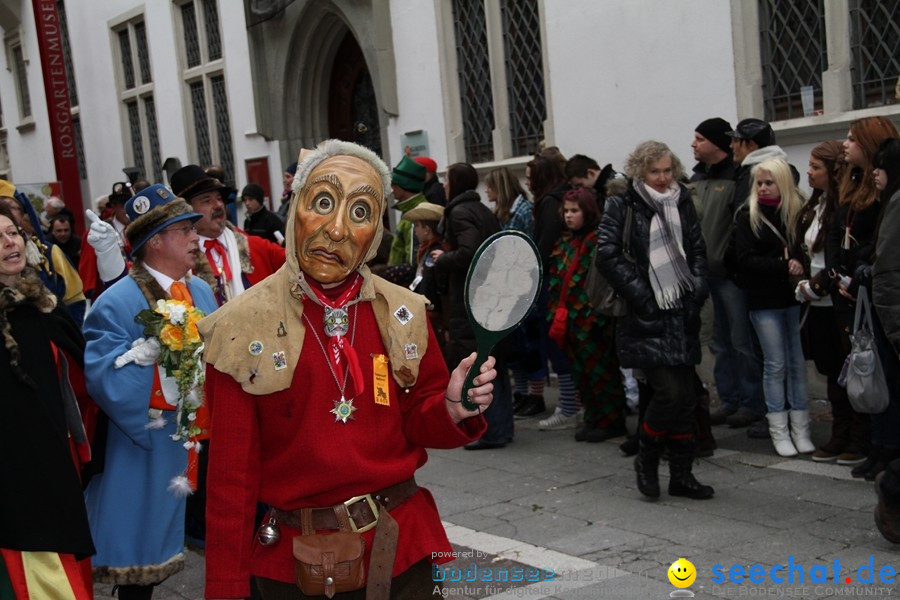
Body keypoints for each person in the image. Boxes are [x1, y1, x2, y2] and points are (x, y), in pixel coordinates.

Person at [198, 140, 497, 599]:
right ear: (296, 207)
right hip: (294, 567)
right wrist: (226, 588)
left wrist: (453, 409)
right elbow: (230, 480)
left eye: (360, 212)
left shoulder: (405, 312)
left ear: (375, 232)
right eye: (323, 202)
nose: (337, 230)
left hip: (402, 550)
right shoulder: (240, 327)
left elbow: (420, 418)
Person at [82, 185, 218, 600]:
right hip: (151, 450)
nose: (197, 237)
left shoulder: (203, 292)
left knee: (226, 540)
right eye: (185, 230)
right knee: (143, 570)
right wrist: (146, 364)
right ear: (155, 241)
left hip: (208, 441)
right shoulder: (116, 302)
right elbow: (101, 377)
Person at [595, 141, 713, 500]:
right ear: (639, 172)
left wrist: (696, 292)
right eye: (654, 172)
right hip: (646, 311)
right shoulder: (622, 203)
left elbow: (696, 249)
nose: (662, 179)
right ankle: (646, 459)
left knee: (687, 398)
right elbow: (607, 255)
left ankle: (681, 475)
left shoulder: (682, 200)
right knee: (669, 393)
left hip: (681, 309)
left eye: (666, 171)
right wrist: (643, 298)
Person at [0, 203, 95, 598]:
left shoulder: (40, 306)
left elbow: (80, 375)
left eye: (12, 232)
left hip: (56, 469)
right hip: (15, 490)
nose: (9, 242)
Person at [829, 117, 900, 480]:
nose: (845, 144)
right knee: (868, 369)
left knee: (883, 374)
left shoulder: (888, 194)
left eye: (852, 139)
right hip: (859, 290)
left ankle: (886, 449)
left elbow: (883, 250)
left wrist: (862, 273)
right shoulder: (858, 183)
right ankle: (877, 446)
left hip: (879, 296)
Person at [794, 140, 867, 465]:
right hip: (816, 304)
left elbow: (837, 257)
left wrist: (819, 285)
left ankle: (857, 438)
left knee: (849, 372)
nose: (808, 173)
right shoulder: (815, 205)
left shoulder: (842, 209)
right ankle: (840, 435)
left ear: (832, 171)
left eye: (815, 167)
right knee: (831, 372)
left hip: (836, 300)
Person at [690, 118, 765, 432]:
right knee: (718, 342)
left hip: (730, 275)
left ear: (716, 144)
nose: (693, 144)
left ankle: (752, 402)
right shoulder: (694, 179)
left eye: (699, 139)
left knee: (741, 341)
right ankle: (730, 398)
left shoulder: (738, 178)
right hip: (705, 275)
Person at [734, 157, 812, 457]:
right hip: (763, 300)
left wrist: (798, 264)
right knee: (775, 363)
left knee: (796, 363)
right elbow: (744, 259)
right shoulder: (747, 215)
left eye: (770, 182)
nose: (764, 187)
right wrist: (782, 265)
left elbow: (807, 249)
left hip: (793, 297)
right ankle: (779, 429)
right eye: (760, 182)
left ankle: (801, 427)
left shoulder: (797, 211)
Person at [433, 162, 510, 450]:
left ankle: (490, 431)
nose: (443, 185)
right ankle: (501, 428)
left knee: (478, 362)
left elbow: (470, 251)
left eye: (446, 180)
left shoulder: (461, 211)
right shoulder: (481, 209)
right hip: (489, 296)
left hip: (473, 297)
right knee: (493, 363)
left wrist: (442, 259)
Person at [545, 187, 626, 435]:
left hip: (593, 319)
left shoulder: (597, 240)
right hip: (569, 318)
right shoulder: (565, 241)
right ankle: (592, 416)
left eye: (575, 211)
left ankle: (610, 420)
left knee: (600, 371)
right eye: (566, 211)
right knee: (581, 373)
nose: (569, 216)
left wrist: (596, 315)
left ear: (587, 211)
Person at [170, 165, 286, 306]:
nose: (218, 205)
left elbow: (300, 264)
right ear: (187, 212)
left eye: (219, 198)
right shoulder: (180, 266)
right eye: (206, 200)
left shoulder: (255, 247)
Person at [519, 155, 576, 420]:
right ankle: (572, 403)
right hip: (559, 279)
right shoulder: (557, 199)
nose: (528, 184)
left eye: (531, 178)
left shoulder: (550, 203)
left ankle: (569, 406)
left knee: (555, 342)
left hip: (551, 283)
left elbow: (543, 246)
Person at [0, 180, 87, 326]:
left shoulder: (48, 252)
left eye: (10, 206)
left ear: (23, 212)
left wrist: (67, 333)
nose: (5, 212)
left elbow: (74, 298)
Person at [402, 201, 449, 357]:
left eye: (417, 226)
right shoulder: (426, 251)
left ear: (427, 230)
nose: (415, 231)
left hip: (435, 317)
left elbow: (435, 288)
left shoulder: (436, 253)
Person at [78, 181, 133, 301]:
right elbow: (87, 271)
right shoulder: (100, 232)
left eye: (130, 204)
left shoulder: (141, 229)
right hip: (110, 293)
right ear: (113, 206)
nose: (126, 210)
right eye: (122, 205)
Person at [388, 155, 427, 268]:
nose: (391, 190)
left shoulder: (417, 212)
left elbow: (413, 256)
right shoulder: (408, 209)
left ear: (404, 186)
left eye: (394, 185)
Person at [485, 166, 533, 235]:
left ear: (500, 187)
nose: (486, 190)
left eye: (489, 186)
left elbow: (530, 242)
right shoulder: (501, 211)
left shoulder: (525, 211)